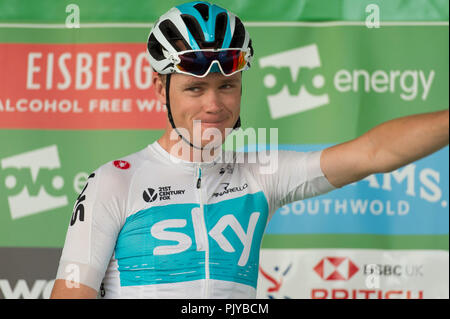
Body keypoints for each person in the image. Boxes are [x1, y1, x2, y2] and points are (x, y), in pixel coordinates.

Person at [50, 1, 449, 299]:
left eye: (228, 86)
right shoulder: (115, 181)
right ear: (160, 89)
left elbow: (373, 154)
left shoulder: (260, 172)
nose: (214, 105)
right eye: (195, 88)